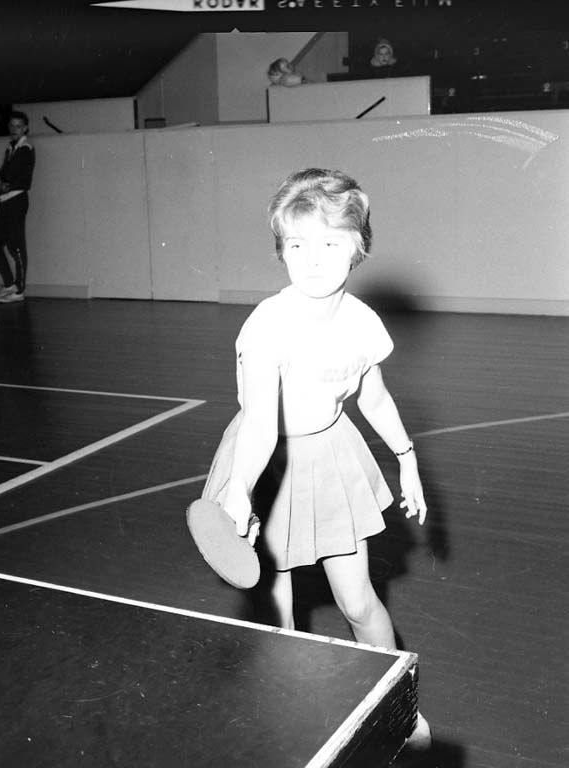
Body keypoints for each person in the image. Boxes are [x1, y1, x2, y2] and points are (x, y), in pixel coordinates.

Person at [202, 168, 432, 750]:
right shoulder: (267, 326)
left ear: (358, 248)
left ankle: (397, 706)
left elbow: (373, 397)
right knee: (277, 605)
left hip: (330, 455)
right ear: (281, 249)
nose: (312, 258)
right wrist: (239, 489)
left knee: (358, 599)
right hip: (269, 462)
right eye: (296, 243)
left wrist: (406, 457)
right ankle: (286, 719)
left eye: (330, 242)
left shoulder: (361, 321)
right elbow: (259, 423)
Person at [0, 111, 35, 304]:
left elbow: (24, 181)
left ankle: (19, 289)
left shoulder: (26, 148)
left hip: (16, 200)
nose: (14, 129)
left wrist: (6, 185)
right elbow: (4, 174)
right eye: (12, 125)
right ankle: (9, 284)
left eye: (18, 126)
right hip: (6, 200)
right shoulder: (11, 148)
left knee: (16, 245)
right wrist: (0, 183)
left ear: (25, 128)